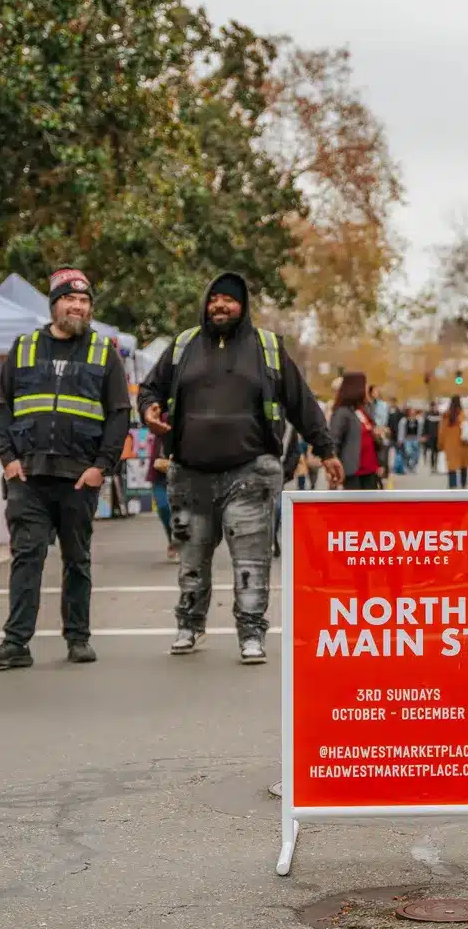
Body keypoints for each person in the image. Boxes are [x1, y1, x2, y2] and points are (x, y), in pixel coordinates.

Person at [137, 272, 340, 663]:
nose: (220, 305)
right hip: (191, 474)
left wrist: (326, 449)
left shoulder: (266, 347)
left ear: (243, 305)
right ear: (205, 303)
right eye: (214, 298)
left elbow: (302, 402)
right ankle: (190, 626)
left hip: (250, 474)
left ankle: (251, 633)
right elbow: (150, 389)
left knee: (251, 561)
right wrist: (148, 409)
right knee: (192, 560)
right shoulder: (183, 346)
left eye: (229, 299)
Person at [0, 268, 131, 669]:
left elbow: (118, 415)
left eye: (84, 302)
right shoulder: (24, 347)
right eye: (70, 300)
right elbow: (3, 407)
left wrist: (102, 467)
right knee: (26, 557)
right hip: (29, 475)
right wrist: (7, 459)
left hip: (79, 477)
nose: (78, 307)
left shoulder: (104, 352)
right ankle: (16, 644)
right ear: (54, 305)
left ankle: (78, 637)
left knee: (77, 559)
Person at [330, 372, 387, 490]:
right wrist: (333, 469)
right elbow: (334, 441)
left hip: (370, 470)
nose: (367, 389)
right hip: (352, 471)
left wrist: (381, 463)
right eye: (365, 385)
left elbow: (373, 439)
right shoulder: (342, 412)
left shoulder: (365, 410)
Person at [146, 429, 176, 562]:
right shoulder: (160, 425)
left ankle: (183, 543)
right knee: (163, 507)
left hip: (183, 477)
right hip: (159, 476)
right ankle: (173, 539)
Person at [438, 395, 468, 488]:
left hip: (450, 445)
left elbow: (442, 431)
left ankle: (452, 486)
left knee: (452, 467)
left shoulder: (447, 415)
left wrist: (440, 444)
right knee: (464, 466)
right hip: (464, 444)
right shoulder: (465, 414)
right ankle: (463, 485)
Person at [398, 406, 423, 474]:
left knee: (416, 455)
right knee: (408, 453)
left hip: (415, 439)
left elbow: (420, 430)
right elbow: (401, 430)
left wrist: (421, 438)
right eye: (411, 412)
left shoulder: (419, 420)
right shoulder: (404, 420)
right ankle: (407, 466)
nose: (412, 413)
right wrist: (400, 440)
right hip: (407, 440)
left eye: (413, 412)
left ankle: (413, 467)